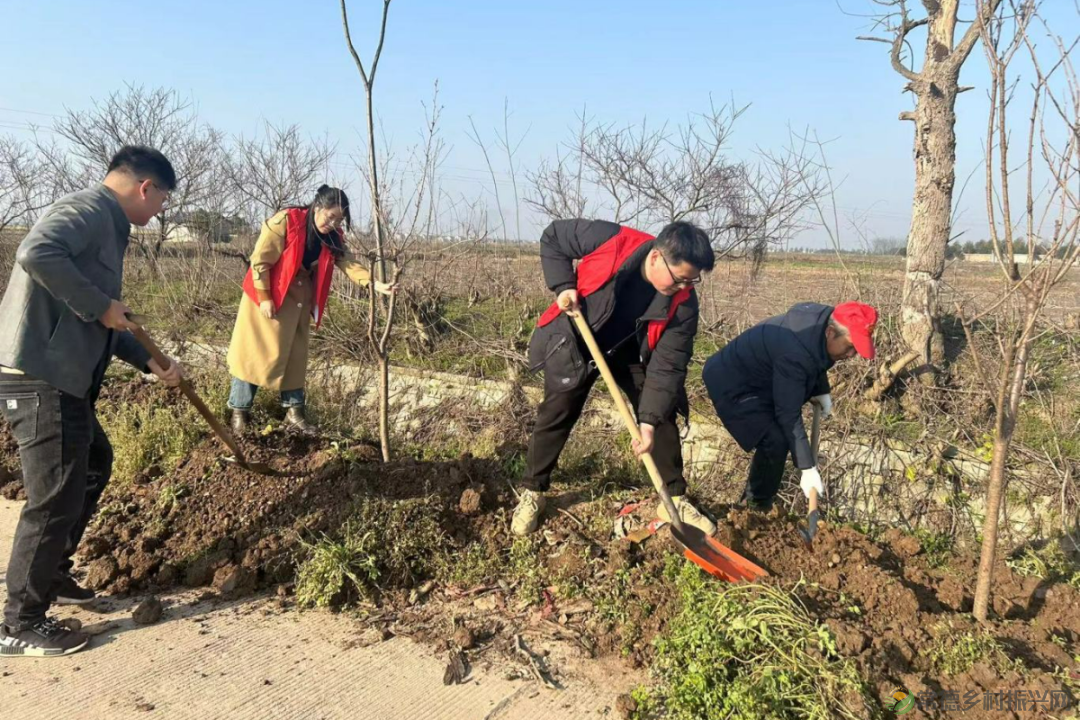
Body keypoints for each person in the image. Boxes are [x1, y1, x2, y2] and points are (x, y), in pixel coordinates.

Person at [0, 145, 184, 657]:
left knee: (94, 462)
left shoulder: (108, 224)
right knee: (55, 496)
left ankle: (53, 573)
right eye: (163, 199)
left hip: (62, 378)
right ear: (146, 187)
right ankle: (20, 622)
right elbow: (36, 253)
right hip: (40, 375)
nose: (161, 210)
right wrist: (101, 305)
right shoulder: (86, 210)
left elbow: (109, 320)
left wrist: (151, 361)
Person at [513, 218, 717, 537]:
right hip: (579, 336)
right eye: (679, 280)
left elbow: (667, 367)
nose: (685, 289)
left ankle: (673, 498)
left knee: (661, 415)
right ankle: (533, 491)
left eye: (691, 282)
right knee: (556, 414)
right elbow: (553, 237)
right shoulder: (612, 239)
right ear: (655, 257)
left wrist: (646, 424)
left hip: (630, 353)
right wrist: (563, 285)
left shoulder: (684, 304)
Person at [225, 185, 395, 434]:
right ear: (318, 207)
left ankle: (294, 414)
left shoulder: (332, 238)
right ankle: (239, 413)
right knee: (255, 356)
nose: (334, 223)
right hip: (269, 298)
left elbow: (348, 262)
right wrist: (264, 298)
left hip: (298, 302)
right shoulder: (286, 221)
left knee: (295, 358)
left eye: (340, 219)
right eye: (331, 216)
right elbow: (260, 261)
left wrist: (374, 283)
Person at [702, 301, 878, 511]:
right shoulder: (795, 353)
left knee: (780, 435)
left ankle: (755, 505)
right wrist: (807, 468)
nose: (851, 355)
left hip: (761, 380)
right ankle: (756, 507)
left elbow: (817, 356)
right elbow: (788, 414)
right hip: (732, 382)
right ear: (831, 332)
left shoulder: (821, 326)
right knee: (775, 439)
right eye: (850, 347)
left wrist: (820, 388)